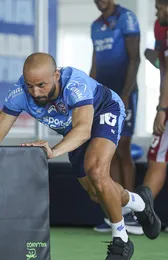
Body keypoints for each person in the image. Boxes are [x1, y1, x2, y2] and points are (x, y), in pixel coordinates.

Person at [0, 53, 161, 259]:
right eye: (30, 85)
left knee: (96, 171)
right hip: (72, 129)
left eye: (41, 85)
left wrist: (54, 150)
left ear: (56, 75)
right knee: (97, 194)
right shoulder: (20, 93)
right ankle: (140, 203)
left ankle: (120, 239)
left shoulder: (75, 84)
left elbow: (84, 130)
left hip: (102, 112)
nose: (35, 92)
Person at [90, 0, 141, 233]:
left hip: (124, 94)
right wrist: (89, 95)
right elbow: (95, 64)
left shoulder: (126, 18)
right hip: (102, 97)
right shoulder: (95, 25)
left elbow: (135, 58)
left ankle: (133, 213)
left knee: (123, 149)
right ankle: (116, 212)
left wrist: (126, 94)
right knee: (106, 153)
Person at [141, 0, 168, 232]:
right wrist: (156, 57)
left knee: (157, 158)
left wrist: (162, 109)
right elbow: (163, 65)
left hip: (167, 105)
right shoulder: (161, 27)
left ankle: (141, 212)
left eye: (160, 7)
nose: (157, 12)